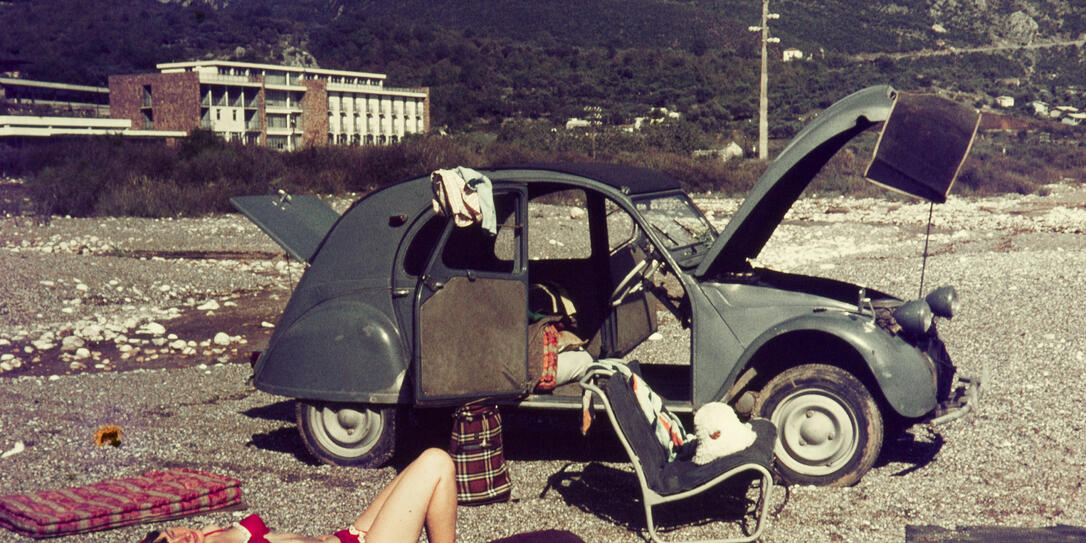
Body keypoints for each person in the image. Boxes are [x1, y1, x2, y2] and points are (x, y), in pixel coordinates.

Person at [143, 448, 456, 543]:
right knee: (435, 462)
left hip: (349, 535)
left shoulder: (209, 534)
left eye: (172, 534)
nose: (180, 539)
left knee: (418, 467)